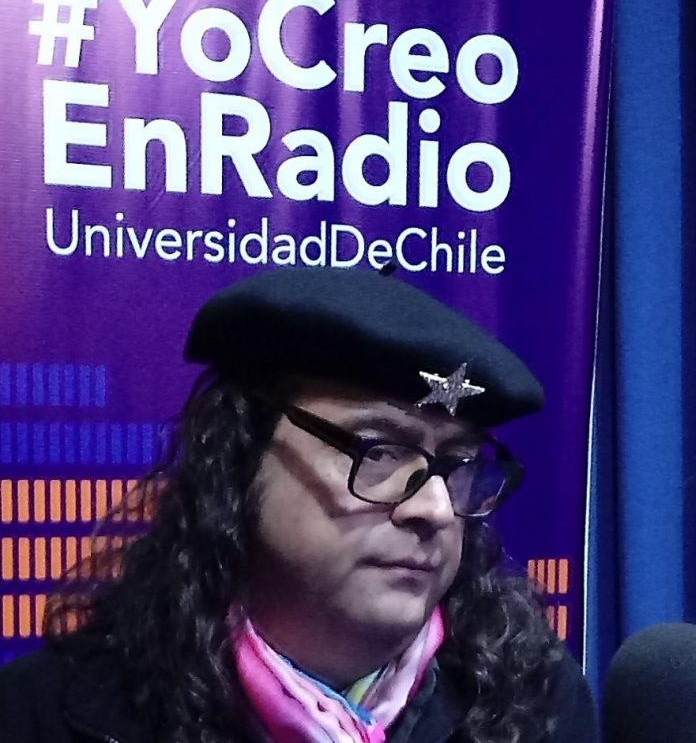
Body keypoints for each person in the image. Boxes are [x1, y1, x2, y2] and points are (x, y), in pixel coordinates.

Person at [0, 267, 597, 743]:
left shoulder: (534, 701)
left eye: (457, 464)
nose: (434, 508)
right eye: (379, 451)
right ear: (241, 460)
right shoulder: (42, 715)